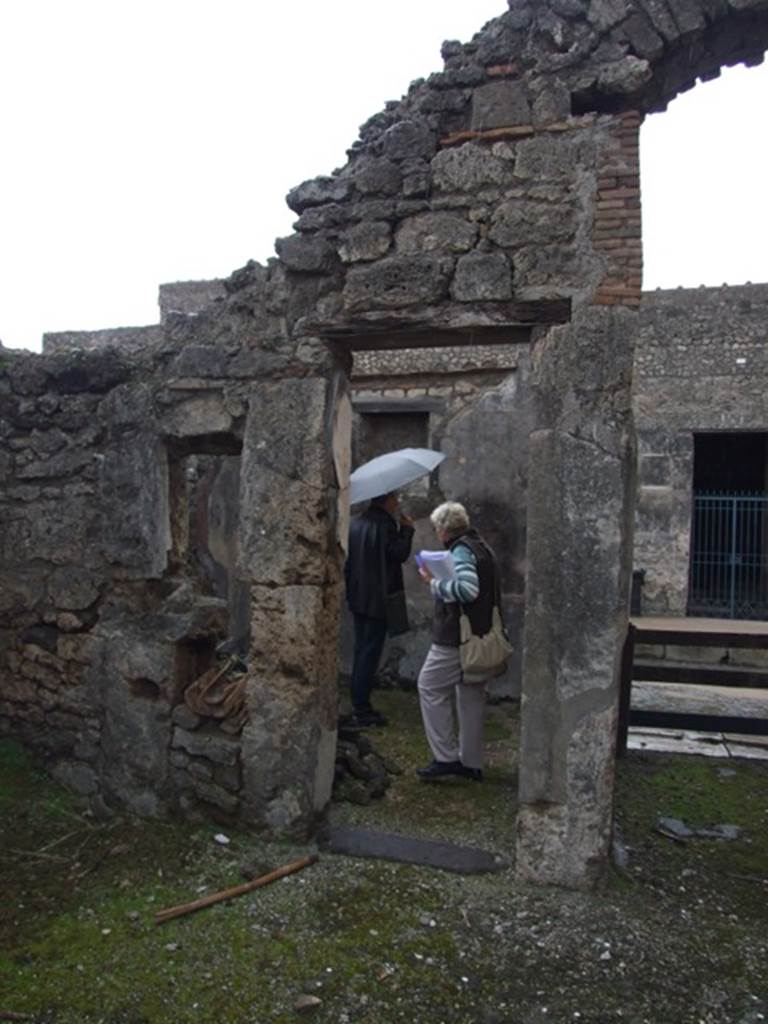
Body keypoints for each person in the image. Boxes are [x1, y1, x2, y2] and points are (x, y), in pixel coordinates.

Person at [415, 501, 503, 781]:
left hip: (456, 637)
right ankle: (471, 761)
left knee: (429, 686)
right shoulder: (481, 546)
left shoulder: (462, 550)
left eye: (436, 528)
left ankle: (446, 757)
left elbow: (468, 589)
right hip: (479, 632)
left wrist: (433, 582)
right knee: (471, 695)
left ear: (443, 529)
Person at [344, 491, 414, 727]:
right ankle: (361, 707)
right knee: (369, 652)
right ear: (386, 500)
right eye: (395, 499)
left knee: (361, 649)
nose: (397, 503)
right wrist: (407, 529)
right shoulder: (385, 525)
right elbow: (399, 553)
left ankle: (357, 700)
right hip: (378, 599)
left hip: (359, 596)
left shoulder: (357, 523)